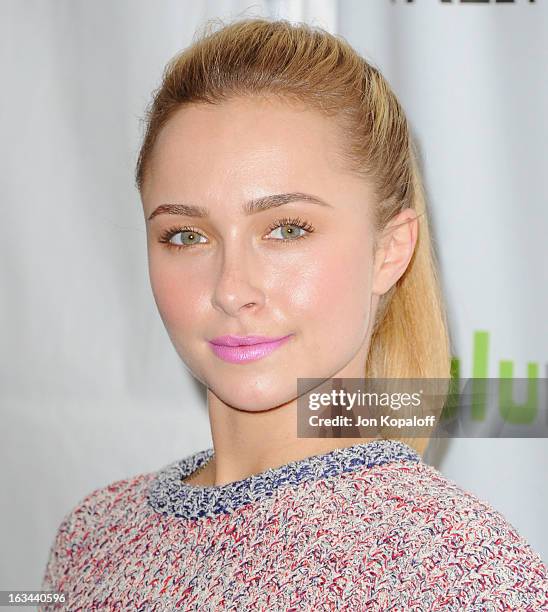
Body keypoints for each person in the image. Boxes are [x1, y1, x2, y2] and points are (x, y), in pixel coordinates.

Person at [40, 17, 548, 610]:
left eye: (286, 229)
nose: (232, 289)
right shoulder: (93, 538)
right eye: (185, 236)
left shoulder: (458, 573)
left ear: (390, 249)